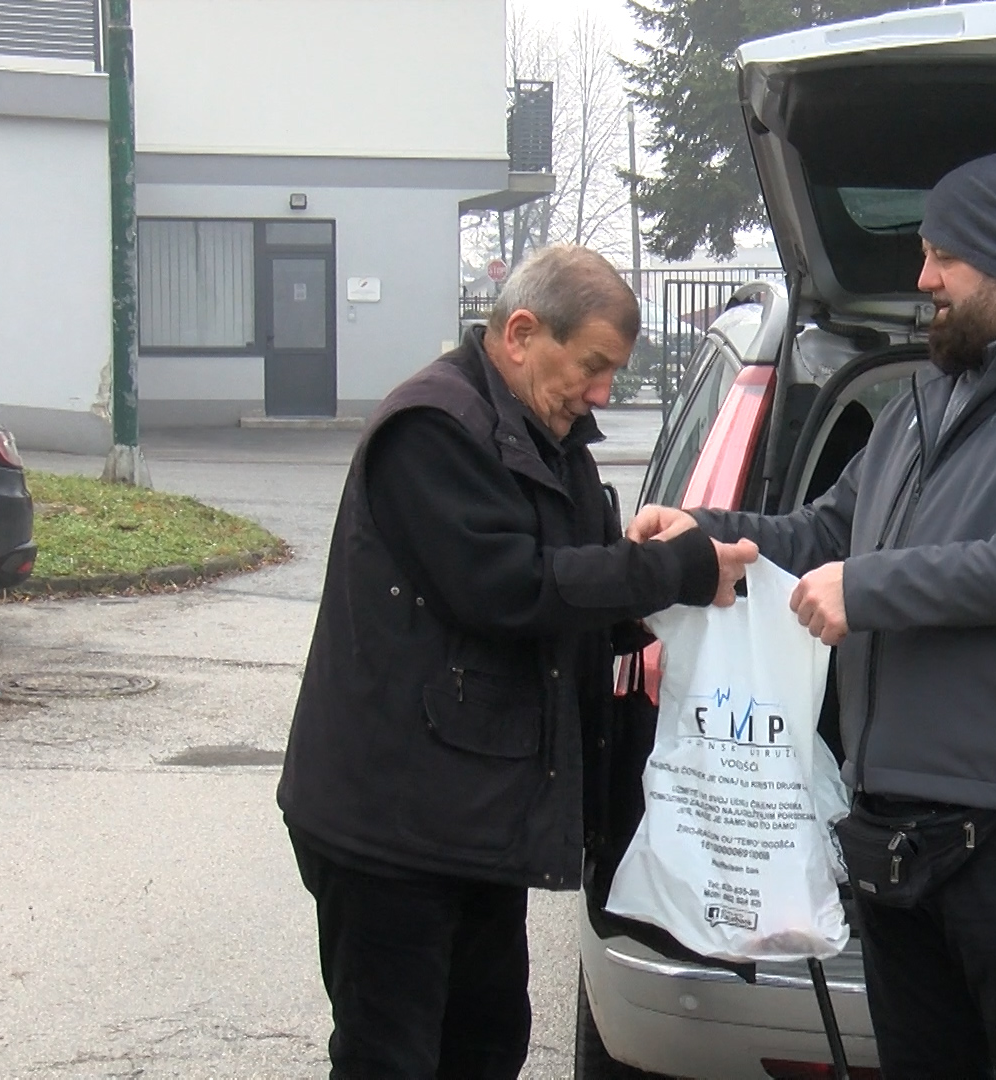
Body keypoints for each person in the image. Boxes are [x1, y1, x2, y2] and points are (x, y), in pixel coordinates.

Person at [629, 150, 996, 1078]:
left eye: (943, 256)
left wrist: (868, 590)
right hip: (893, 829)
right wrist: (706, 531)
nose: (923, 278)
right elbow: (825, 530)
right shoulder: (923, 406)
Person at [278, 244, 758, 1080]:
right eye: (594, 366)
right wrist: (667, 573)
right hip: (388, 828)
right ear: (522, 333)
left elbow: (570, 596)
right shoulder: (430, 429)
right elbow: (506, 589)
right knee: (391, 1057)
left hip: (471, 817)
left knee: (485, 1045)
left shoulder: (547, 435)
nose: (602, 392)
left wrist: (643, 583)